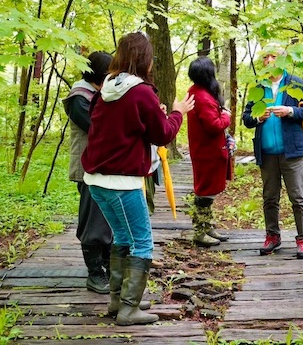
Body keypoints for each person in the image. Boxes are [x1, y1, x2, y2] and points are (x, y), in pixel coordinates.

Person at [81, 32, 195, 325]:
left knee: (122, 237)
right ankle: (129, 309)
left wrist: (154, 114)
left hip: (96, 180)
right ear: (145, 59)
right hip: (122, 182)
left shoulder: (107, 86)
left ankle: (119, 300)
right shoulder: (141, 91)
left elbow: (120, 126)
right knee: (142, 243)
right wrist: (177, 113)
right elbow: (163, 134)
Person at [242, 48, 303, 259]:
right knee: (269, 197)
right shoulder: (259, 86)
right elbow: (246, 118)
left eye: (273, 56)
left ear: (282, 59)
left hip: (292, 151)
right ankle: (272, 236)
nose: (269, 60)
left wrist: (290, 111)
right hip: (266, 152)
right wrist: (258, 117)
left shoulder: (295, 83)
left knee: (298, 197)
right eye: (265, 57)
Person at [63, 51, 113, 295]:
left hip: (103, 166)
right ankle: (95, 273)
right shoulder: (79, 98)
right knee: (93, 221)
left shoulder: (97, 94)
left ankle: (108, 267)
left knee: (106, 220)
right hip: (88, 168)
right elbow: (98, 129)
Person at [186, 56, 232, 247]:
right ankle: (200, 231)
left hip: (205, 150)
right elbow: (214, 125)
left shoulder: (197, 92)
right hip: (207, 152)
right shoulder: (202, 97)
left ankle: (207, 227)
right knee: (205, 192)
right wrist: (226, 116)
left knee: (208, 191)